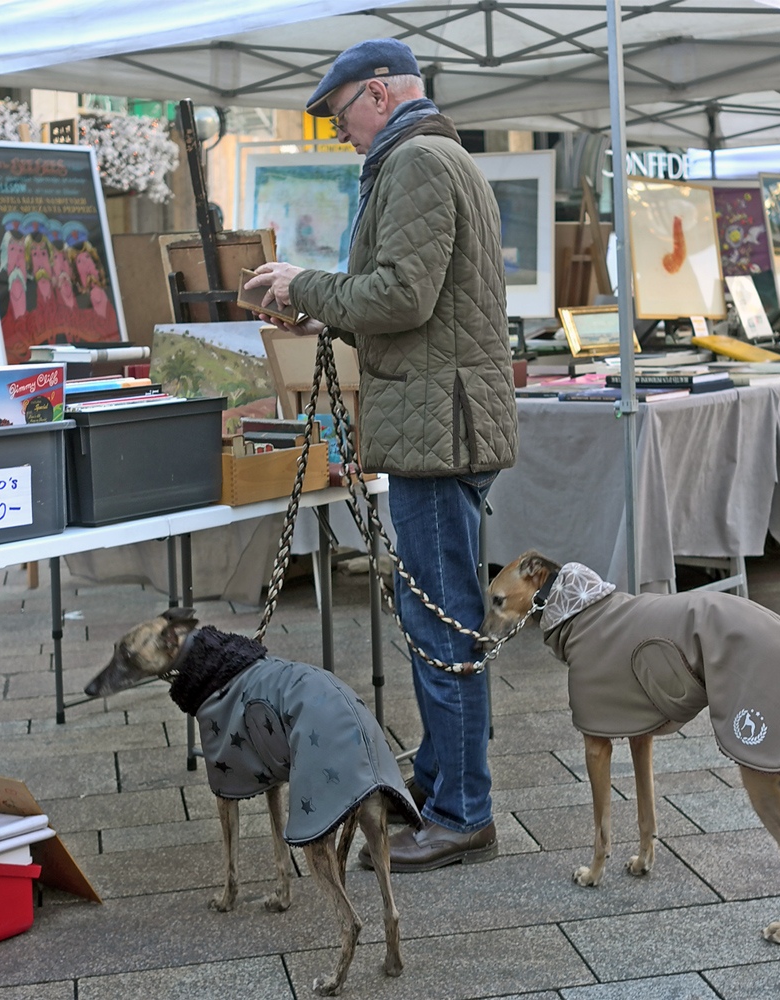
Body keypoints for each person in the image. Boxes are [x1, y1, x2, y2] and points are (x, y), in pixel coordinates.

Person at [244, 39, 518, 871]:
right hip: (445, 420)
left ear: (375, 94)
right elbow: (411, 299)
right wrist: (327, 306)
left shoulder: (416, 163)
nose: (342, 135)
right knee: (445, 618)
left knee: (441, 628)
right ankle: (440, 784)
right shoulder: (437, 155)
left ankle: (462, 813)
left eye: (340, 118)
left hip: (438, 429)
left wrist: (303, 288)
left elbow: (402, 294)